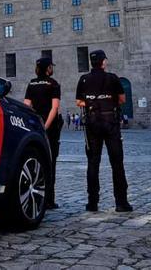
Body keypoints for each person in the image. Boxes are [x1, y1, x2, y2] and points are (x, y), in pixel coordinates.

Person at [75, 50, 132, 212]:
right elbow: (122, 99)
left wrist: (92, 102)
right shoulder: (112, 78)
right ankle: (121, 202)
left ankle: (92, 202)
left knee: (93, 163)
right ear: (103, 62)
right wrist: (108, 100)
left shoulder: (84, 79)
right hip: (110, 122)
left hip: (92, 123)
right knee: (117, 163)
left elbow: (79, 102)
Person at [24, 57, 63, 209]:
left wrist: (36, 124)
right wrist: (46, 126)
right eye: (51, 67)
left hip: (36, 124)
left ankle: (38, 195)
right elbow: (54, 108)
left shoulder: (31, 83)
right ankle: (49, 200)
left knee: (38, 161)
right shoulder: (53, 84)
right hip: (50, 127)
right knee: (51, 162)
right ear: (48, 69)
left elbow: (27, 105)